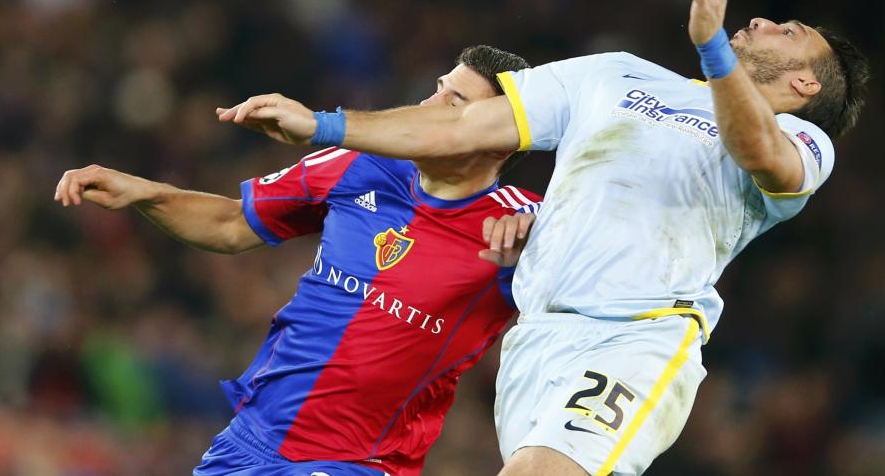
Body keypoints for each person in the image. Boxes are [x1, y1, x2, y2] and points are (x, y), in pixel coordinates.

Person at [215, 0, 871, 476]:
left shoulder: (804, 143)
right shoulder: (614, 74)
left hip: (637, 336)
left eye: (787, 33)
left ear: (806, 84)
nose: (760, 23)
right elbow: (465, 126)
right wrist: (324, 123)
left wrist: (711, 49)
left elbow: (758, 150)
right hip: (535, 339)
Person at [54, 45, 542, 476]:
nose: (426, 106)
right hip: (248, 443)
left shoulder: (526, 225)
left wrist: (541, 251)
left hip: (356, 463)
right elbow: (230, 225)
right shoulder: (359, 164)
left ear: (497, 137)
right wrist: (144, 193)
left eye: (453, 102)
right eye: (437, 89)